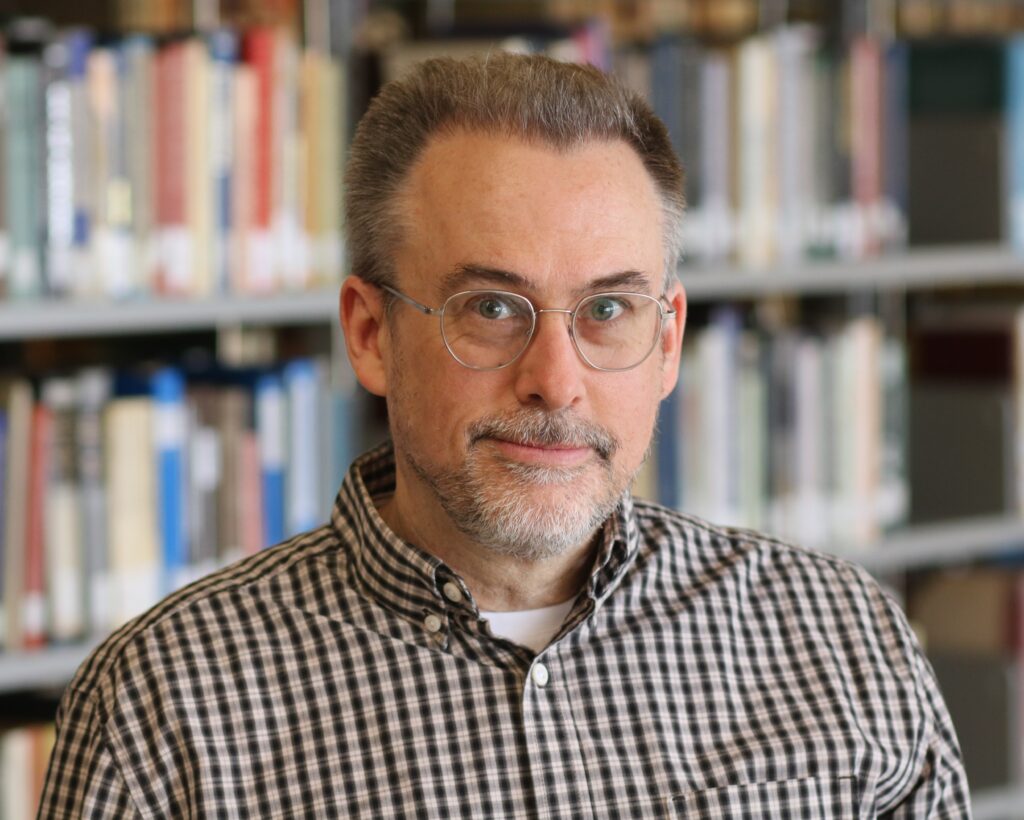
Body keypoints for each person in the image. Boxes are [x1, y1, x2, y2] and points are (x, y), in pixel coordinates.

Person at [40, 53, 970, 818]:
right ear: (370, 334)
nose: (556, 382)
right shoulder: (162, 706)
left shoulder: (844, 643)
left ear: (668, 340)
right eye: (492, 308)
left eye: (608, 308)